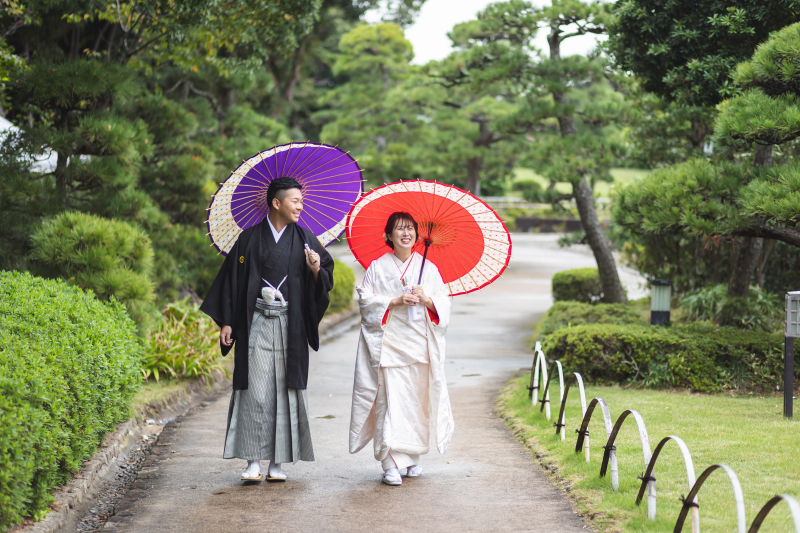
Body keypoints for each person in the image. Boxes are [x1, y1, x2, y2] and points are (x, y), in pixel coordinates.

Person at [200, 176, 335, 482]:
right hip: (257, 321)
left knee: (284, 390)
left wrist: (315, 269)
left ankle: (278, 462)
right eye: (294, 200)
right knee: (255, 390)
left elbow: (325, 275)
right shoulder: (249, 239)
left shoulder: (305, 239)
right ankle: (252, 460)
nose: (300, 206)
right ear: (276, 203)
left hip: (291, 323)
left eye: (301, 201)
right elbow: (231, 280)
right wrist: (228, 320)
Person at [348, 211, 454, 486]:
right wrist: (394, 301)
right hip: (389, 345)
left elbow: (444, 303)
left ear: (417, 236)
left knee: (415, 403)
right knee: (390, 402)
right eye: (399, 229)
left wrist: (426, 299)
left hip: (419, 345)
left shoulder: (427, 269)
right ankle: (391, 463)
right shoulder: (377, 267)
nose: (406, 233)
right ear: (388, 236)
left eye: (410, 229)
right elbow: (366, 301)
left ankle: (412, 457)